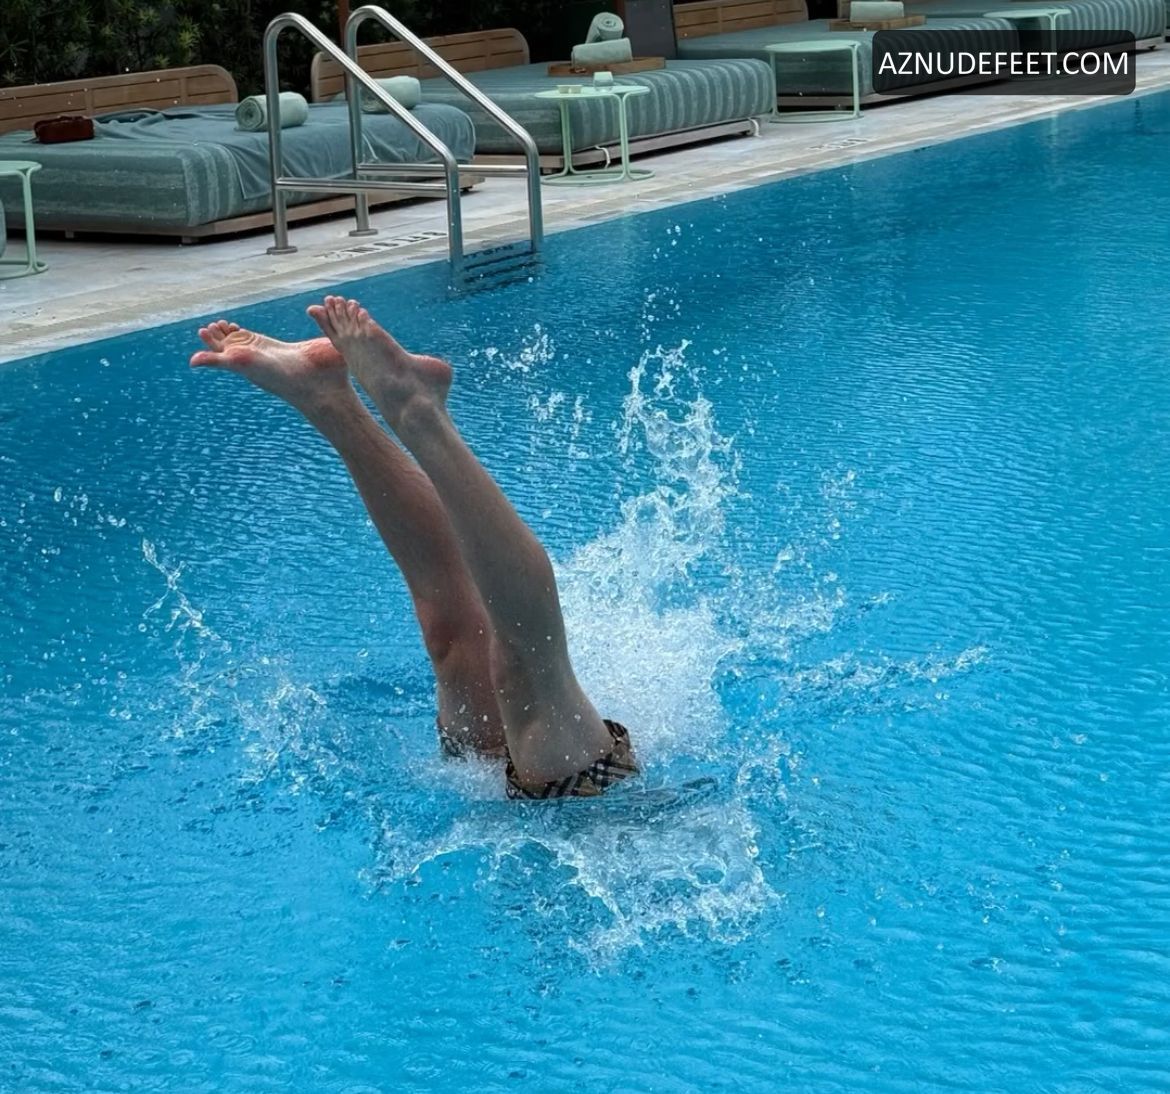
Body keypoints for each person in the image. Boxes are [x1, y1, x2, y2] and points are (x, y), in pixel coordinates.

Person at [190, 295, 638, 799]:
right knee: (523, 672)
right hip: (589, 804)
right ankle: (410, 410)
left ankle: (332, 400)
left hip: (542, 803)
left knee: (458, 640)